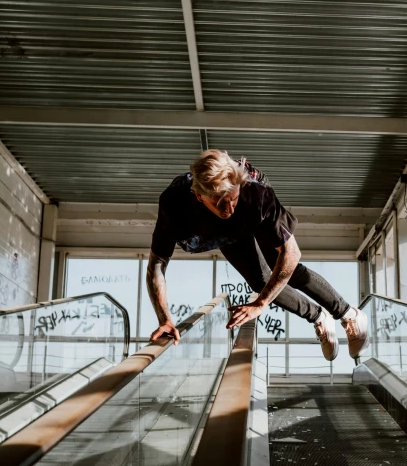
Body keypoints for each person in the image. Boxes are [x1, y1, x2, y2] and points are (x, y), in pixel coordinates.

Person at [146, 149, 368, 361]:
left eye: (232, 199)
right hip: (221, 231)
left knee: (287, 269)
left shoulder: (256, 194)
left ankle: (349, 315)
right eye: (218, 203)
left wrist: (261, 304)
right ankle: (319, 317)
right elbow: (157, 265)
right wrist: (164, 319)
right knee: (259, 281)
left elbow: (291, 254)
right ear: (199, 196)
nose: (228, 209)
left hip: (252, 212)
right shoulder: (173, 204)